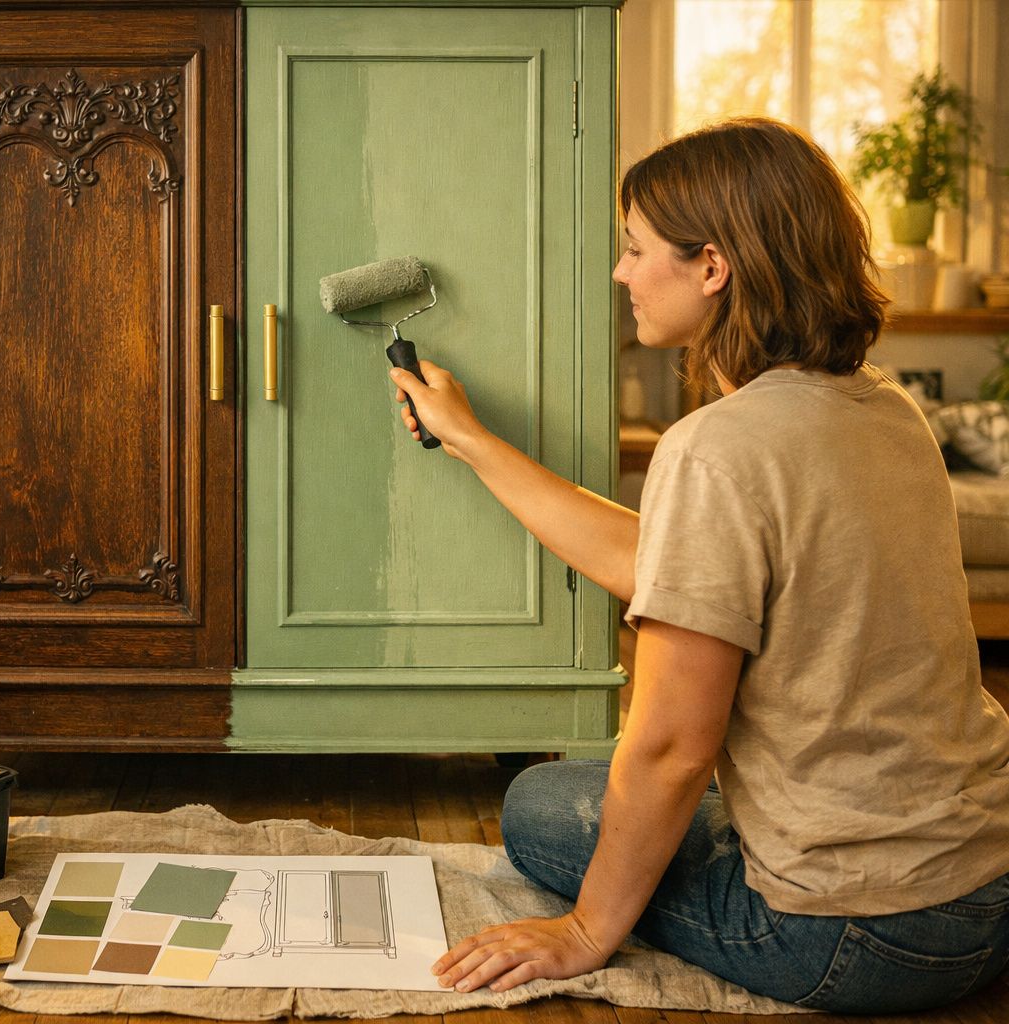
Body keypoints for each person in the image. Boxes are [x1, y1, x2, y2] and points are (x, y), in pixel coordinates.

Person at [389, 117, 1009, 1013]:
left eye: (636, 249)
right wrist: (475, 442)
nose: (621, 273)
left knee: (540, 806)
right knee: (598, 796)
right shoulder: (887, 409)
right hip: (988, 884)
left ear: (712, 266)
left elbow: (676, 748)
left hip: (860, 935)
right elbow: (669, 564)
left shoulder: (717, 447)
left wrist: (585, 931)